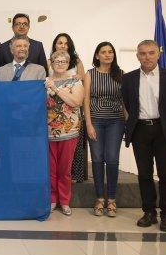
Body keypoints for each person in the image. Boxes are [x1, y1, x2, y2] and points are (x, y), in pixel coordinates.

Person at [122, 40, 166, 232]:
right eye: (142, 53)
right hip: (140, 131)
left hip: (164, 130)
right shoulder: (129, 79)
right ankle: (149, 212)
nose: (147, 57)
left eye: (151, 53)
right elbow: (128, 104)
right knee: (144, 174)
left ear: (158, 54)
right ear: (137, 56)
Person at [84, 42, 125, 217]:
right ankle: (100, 198)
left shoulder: (121, 74)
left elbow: (125, 101)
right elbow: (85, 101)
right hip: (96, 121)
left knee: (113, 159)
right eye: (104, 52)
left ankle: (112, 200)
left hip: (116, 121)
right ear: (97, 56)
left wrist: (129, 123)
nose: (108, 55)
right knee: (98, 159)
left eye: (110, 52)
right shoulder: (90, 74)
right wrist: (88, 124)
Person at [45, 50, 84, 216]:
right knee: (51, 169)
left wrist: (56, 88)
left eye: (63, 61)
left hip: (68, 132)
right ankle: (53, 200)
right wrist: (49, 86)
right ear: (51, 63)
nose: (60, 64)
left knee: (64, 170)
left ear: (68, 64)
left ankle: (65, 201)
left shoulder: (75, 82)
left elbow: (76, 101)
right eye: (57, 61)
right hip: (47, 132)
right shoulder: (44, 82)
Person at [49, 33, 88, 183]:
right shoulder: (48, 61)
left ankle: (75, 177)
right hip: (53, 118)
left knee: (72, 153)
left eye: (66, 43)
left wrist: (75, 81)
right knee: (53, 165)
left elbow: (82, 79)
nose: (63, 45)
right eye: (60, 43)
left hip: (72, 111)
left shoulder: (76, 61)